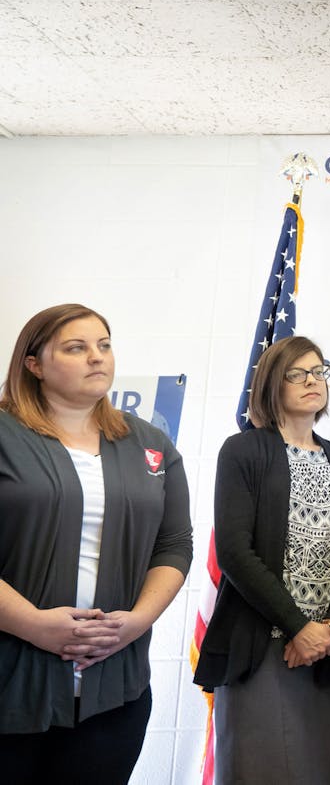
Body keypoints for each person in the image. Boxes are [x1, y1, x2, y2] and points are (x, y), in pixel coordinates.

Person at [0, 303, 192, 783]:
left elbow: (174, 544)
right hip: (10, 686)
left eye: (104, 346)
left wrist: (137, 622)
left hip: (115, 692)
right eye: (76, 347)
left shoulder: (151, 443)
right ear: (34, 364)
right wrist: (34, 625)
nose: (96, 357)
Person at [194, 336, 330, 784]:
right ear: (273, 383)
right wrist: (298, 626)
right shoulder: (244, 451)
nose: (312, 381)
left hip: (322, 651)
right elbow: (235, 550)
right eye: (298, 373)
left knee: (313, 772)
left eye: (318, 371)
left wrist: (329, 626)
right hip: (263, 644)